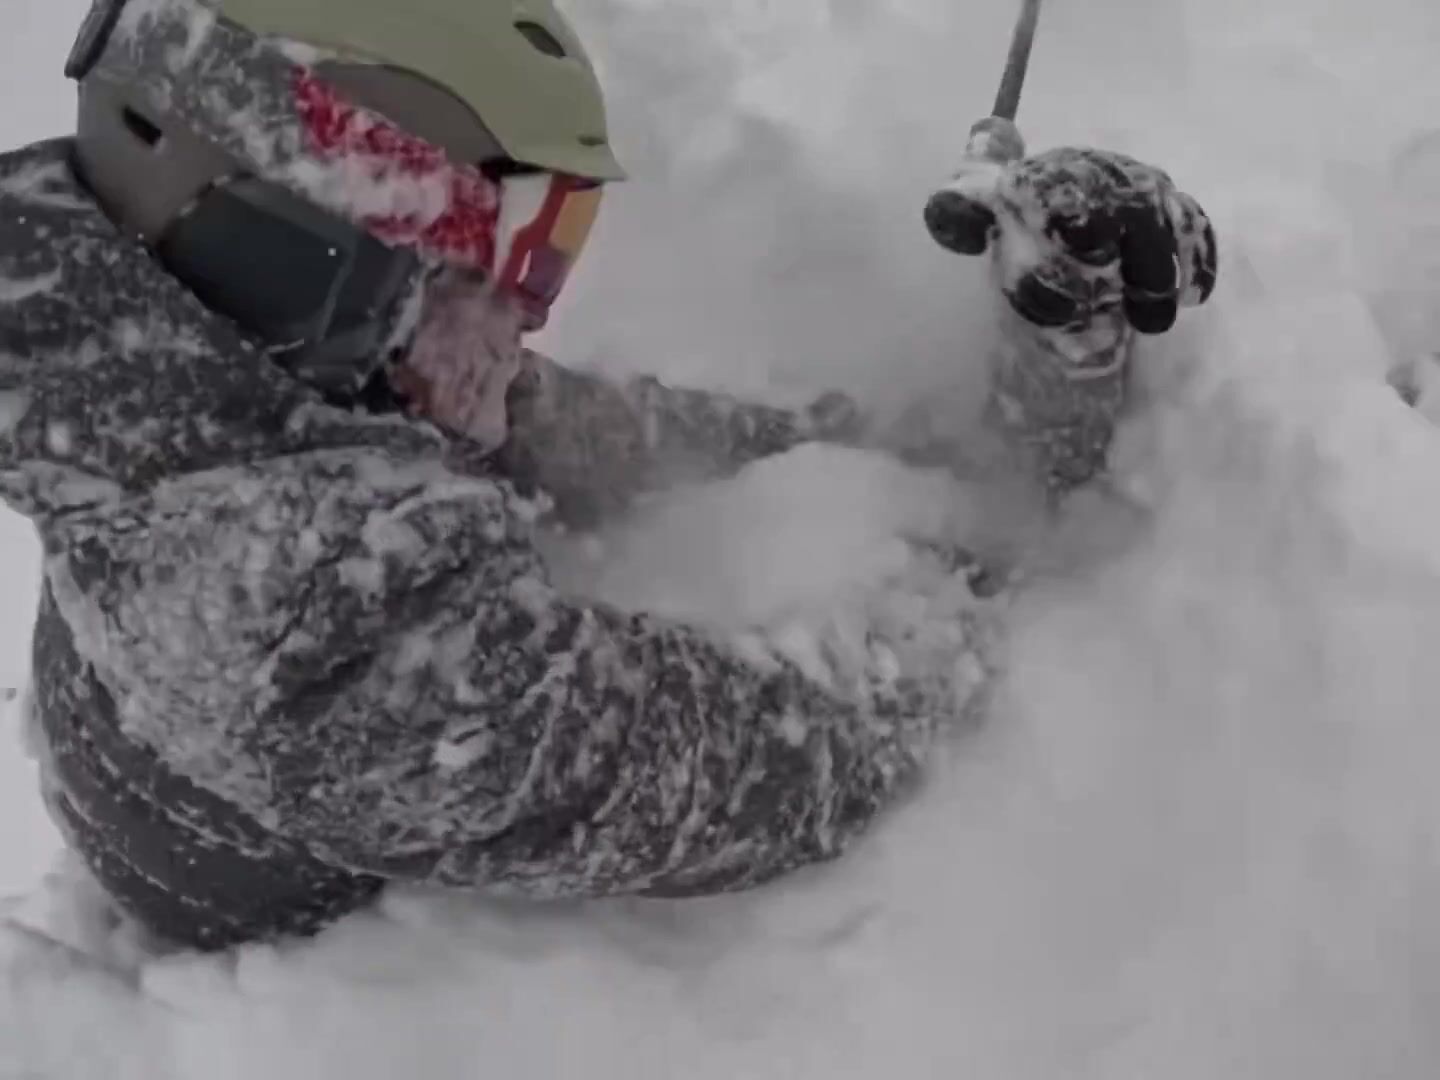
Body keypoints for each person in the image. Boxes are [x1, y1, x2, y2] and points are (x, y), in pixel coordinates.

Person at [0, 0, 1217, 951]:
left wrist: (1048, 349)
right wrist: (1011, 518)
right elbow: (804, 750)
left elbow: (685, 447)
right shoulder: (297, 624)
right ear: (314, 227)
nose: (527, 316)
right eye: (507, 251)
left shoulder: (211, 379)